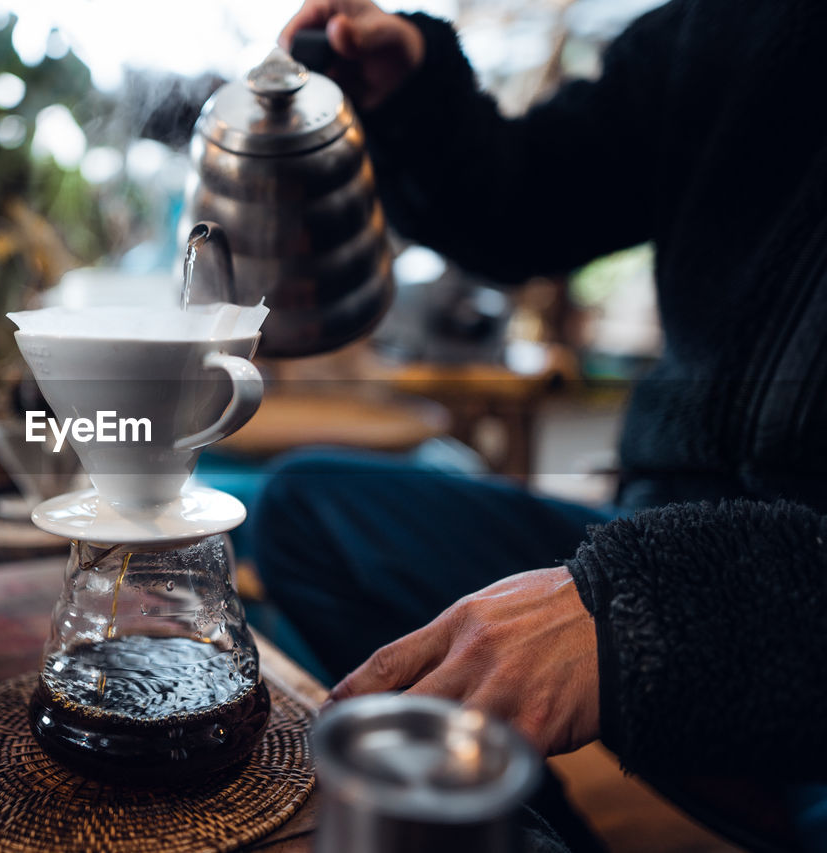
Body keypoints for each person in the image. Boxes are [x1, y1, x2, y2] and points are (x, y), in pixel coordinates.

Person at [254, 1, 827, 847]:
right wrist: (414, 96)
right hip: (658, 532)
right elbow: (529, 197)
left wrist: (657, 612)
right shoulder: (721, 27)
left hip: (781, 610)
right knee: (307, 510)